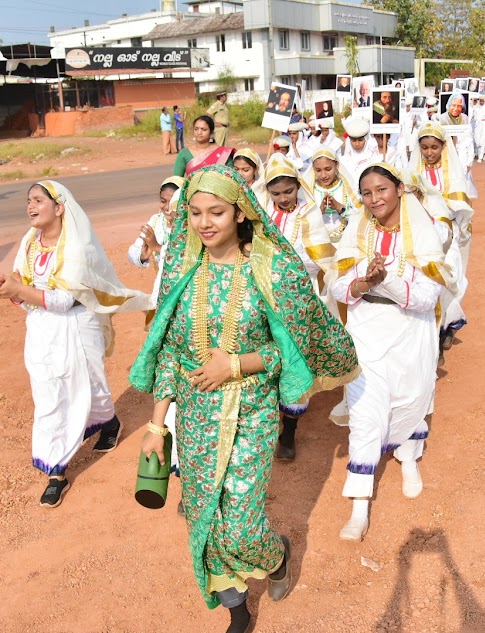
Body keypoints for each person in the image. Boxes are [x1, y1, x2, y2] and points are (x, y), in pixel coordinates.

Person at [130, 165, 358, 632]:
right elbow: (172, 356)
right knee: (205, 521)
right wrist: (156, 426)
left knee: (240, 524)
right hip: (193, 420)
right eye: (194, 213)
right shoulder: (184, 269)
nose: (204, 222)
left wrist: (234, 365)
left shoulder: (270, 268)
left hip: (251, 413)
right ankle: (236, 608)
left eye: (216, 211)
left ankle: (276, 557)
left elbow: (290, 353)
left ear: (240, 211)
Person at [0, 181, 152, 507]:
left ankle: (108, 422)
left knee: (90, 387)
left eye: (39, 200)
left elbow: (63, 301)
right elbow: (28, 296)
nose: (31, 206)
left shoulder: (77, 248)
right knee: (50, 397)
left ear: (59, 207)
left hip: (77, 327)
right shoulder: (29, 244)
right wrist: (13, 291)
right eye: (29, 200)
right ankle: (56, 472)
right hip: (40, 331)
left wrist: (17, 290)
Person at [328, 163, 456, 540]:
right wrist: (364, 283)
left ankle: (409, 459)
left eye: (381, 190)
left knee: (410, 398)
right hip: (365, 329)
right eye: (366, 193)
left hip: (410, 332)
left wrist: (390, 282)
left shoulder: (423, 234)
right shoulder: (357, 231)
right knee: (365, 411)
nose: (374, 199)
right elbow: (337, 287)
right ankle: (358, 506)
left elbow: (428, 296)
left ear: (399, 189)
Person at [264, 154, 336, 459]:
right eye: (276, 193)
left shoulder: (309, 213)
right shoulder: (264, 211)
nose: (282, 199)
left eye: (288, 191)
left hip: (300, 297)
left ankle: (289, 431)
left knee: (296, 360)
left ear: (298, 187)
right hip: (265, 296)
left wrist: (282, 260)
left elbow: (317, 257)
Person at [408, 122, 473, 359]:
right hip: (419, 238)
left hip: (447, 237)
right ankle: (433, 340)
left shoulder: (453, 174)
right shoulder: (412, 172)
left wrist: (436, 202)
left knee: (449, 282)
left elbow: (461, 208)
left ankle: (445, 327)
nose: (429, 152)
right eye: (424, 148)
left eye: (434, 147)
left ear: (443, 147)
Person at [127, 176, 184, 304]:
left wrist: (157, 247)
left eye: (173, 202)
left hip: (185, 290)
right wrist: (142, 255)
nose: (167, 207)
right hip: (161, 289)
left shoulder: (188, 224)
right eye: (163, 201)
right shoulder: (156, 221)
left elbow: (184, 254)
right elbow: (133, 251)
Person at [304, 147, 360, 243]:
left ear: (337, 166)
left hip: (346, 240)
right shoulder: (309, 190)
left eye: (328, 169)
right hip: (318, 242)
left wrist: (341, 209)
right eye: (318, 170)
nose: (323, 175)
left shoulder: (347, 187)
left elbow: (360, 215)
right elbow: (302, 221)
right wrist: (318, 212)